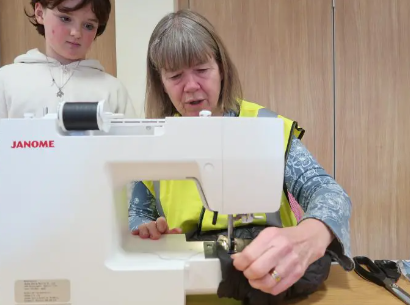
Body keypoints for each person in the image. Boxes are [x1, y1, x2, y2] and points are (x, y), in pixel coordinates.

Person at [128, 9, 354, 298]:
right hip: (186, 284)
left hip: (269, 275)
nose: (192, 86)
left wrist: (309, 235)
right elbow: (138, 215)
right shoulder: (151, 144)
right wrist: (148, 231)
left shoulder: (268, 128)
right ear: (161, 82)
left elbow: (329, 193)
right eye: (175, 76)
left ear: (221, 68)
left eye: (201, 69)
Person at [0, 0, 137, 119]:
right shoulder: (6, 81)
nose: (76, 33)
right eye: (65, 19)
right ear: (40, 13)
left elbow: (132, 145)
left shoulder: (113, 89)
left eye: (88, 26)